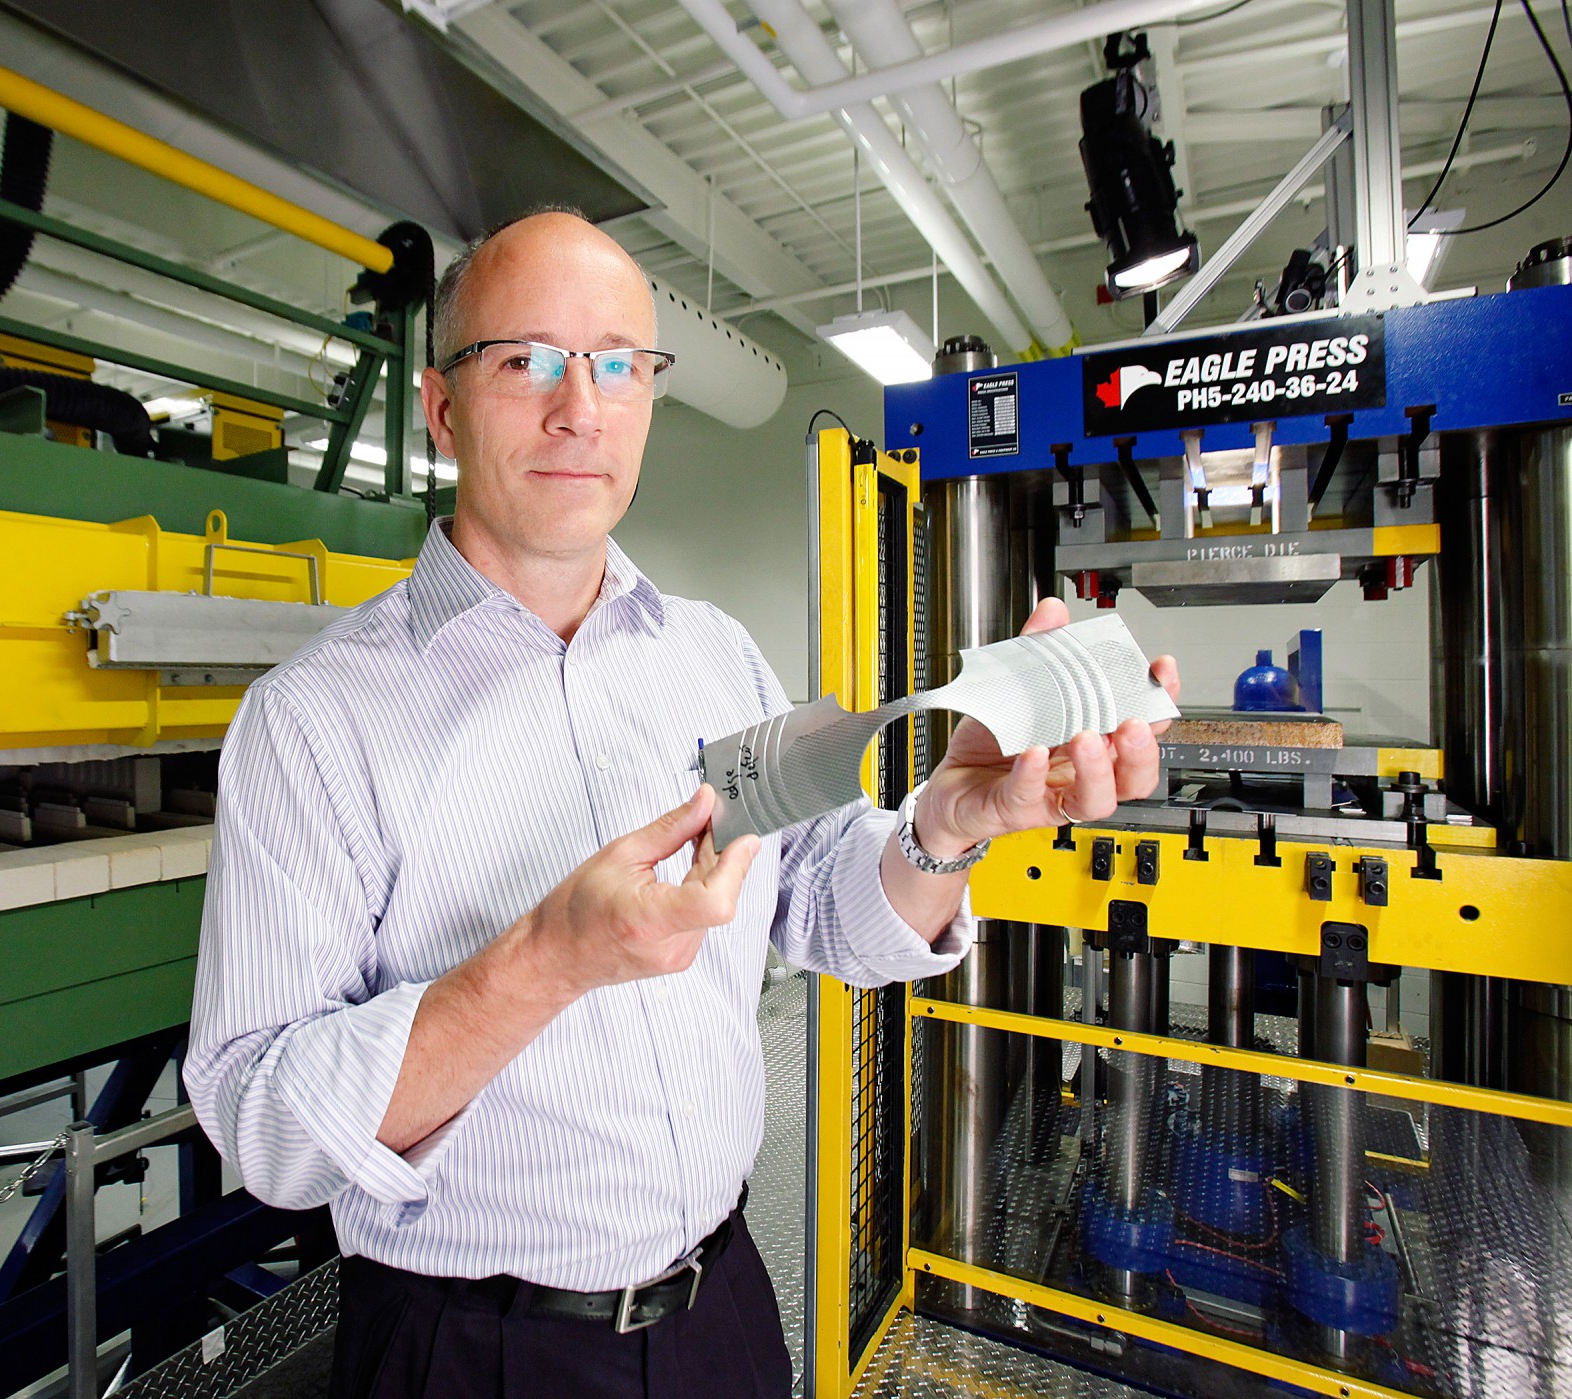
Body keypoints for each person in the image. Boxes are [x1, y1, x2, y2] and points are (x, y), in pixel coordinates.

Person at [183, 209, 1178, 1399]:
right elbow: (263, 1126)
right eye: (525, 360)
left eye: (616, 363)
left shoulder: (710, 656)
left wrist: (942, 826)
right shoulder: (311, 719)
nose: (579, 407)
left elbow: (813, 902)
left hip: (724, 1315)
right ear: (443, 409)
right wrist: (545, 962)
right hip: (473, 1353)